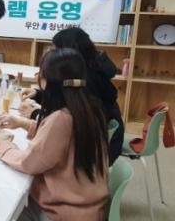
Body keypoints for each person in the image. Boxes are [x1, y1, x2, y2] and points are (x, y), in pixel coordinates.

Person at [0, 48, 109, 221]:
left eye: (40, 74)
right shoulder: (90, 108)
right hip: (92, 213)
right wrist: (24, 123)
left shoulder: (61, 118)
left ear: (48, 81)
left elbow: (30, 163)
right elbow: (61, 139)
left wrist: (2, 147)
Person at [20, 27, 124, 165]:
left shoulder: (87, 81)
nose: (55, 54)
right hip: (101, 142)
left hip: (96, 153)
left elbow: (67, 122)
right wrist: (38, 94)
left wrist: (35, 114)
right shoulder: (90, 70)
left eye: (57, 49)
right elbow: (67, 98)